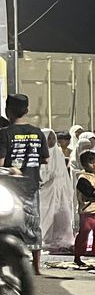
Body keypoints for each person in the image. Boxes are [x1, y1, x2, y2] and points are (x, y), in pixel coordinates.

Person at [0, 94, 50, 273]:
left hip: (10, 187)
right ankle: (36, 267)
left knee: (9, 224)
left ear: (7, 112)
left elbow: (1, 162)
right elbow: (45, 158)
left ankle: (10, 264)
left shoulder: (4, 133)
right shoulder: (38, 132)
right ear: (27, 110)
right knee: (34, 224)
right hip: (32, 185)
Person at [39, 128, 76, 252]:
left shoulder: (58, 153)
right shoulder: (39, 153)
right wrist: (48, 176)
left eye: (53, 138)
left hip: (61, 190)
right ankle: (45, 239)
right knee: (47, 215)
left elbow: (64, 173)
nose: (51, 141)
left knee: (62, 214)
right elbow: (41, 174)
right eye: (48, 138)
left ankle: (62, 239)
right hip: (47, 191)